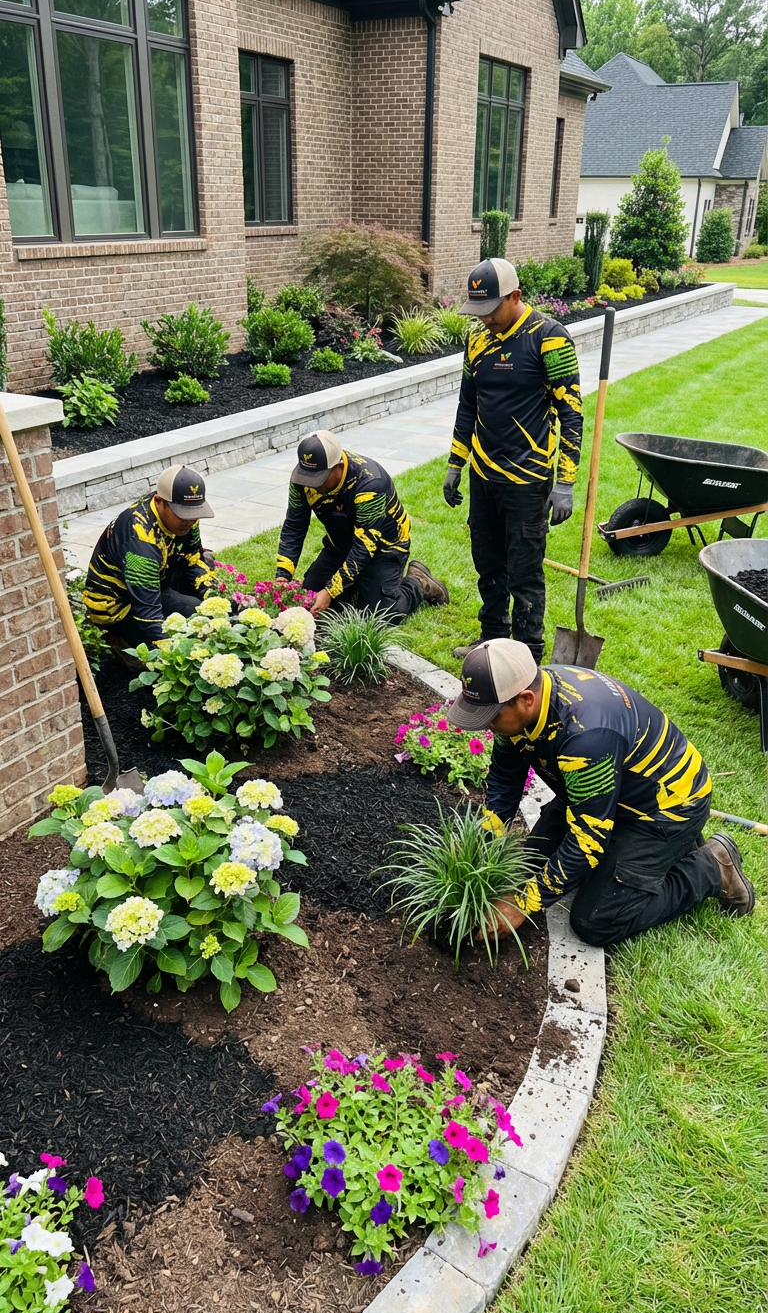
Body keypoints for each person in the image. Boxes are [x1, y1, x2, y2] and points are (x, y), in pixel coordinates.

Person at [445, 638, 754, 947]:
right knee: (525, 868)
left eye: (491, 716)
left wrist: (524, 903)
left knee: (595, 920)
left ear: (526, 699)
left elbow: (588, 839)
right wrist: (483, 839)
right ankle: (659, 856)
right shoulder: (524, 695)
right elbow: (505, 778)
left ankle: (711, 866)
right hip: (607, 791)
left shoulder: (585, 737)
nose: (486, 725)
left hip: (665, 807)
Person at [443, 257, 583, 663]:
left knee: (524, 572)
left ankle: (526, 654)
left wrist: (565, 482)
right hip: (483, 474)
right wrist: (456, 463)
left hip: (527, 479)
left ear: (515, 296)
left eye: (490, 310)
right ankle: (491, 639)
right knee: (488, 564)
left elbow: (571, 412)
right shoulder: (476, 340)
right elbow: (468, 405)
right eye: (478, 311)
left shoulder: (549, 338)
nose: (484, 319)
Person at [275, 429, 449, 621]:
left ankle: (418, 582)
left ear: (338, 466)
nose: (312, 484)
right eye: (308, 477)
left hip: (383, 548)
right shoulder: (304, 476)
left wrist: (331, 590)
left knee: (379, 616)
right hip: (340, 544)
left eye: (319, 478)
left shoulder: (371, 484)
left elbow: (363, 548)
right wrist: (283, 575)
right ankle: (356, 585)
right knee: (310, 600)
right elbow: (294, 525)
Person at [83, 465, 217, 648]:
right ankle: (118, 640)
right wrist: (171, 651)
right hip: (118, 607)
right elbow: (148, 613)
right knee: (191, 620)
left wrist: (214, 597)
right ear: (159, 501)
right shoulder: (139, 540)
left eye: (195, 513)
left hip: (155, 581)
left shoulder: (186, 517)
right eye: (183, 514)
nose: (190, 521)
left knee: (204, 607)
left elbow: (192, 557)